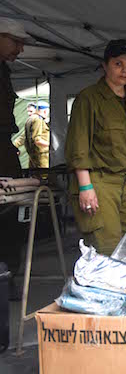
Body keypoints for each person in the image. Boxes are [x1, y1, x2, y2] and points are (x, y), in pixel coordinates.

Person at [65, 39, 126, 255]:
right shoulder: (89, 98)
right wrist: (85, 187)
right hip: (100, 181)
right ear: (105, 66)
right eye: (118, 64)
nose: (124, 70)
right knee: (107, 246)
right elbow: (78, 144)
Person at [0, 17, 34, 299]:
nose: (20, 49)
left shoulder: (4, 71)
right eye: (16, 42)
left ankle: (6, 277)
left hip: (4, 148)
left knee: (10, 215)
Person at [25, 101, 50, 168]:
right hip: (41, 155)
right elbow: (37, 140)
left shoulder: (30, 119)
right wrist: (50, 145)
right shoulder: (38, 120)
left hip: (33, 154)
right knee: (43, 173)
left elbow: (25, 138)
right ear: (45, 111)